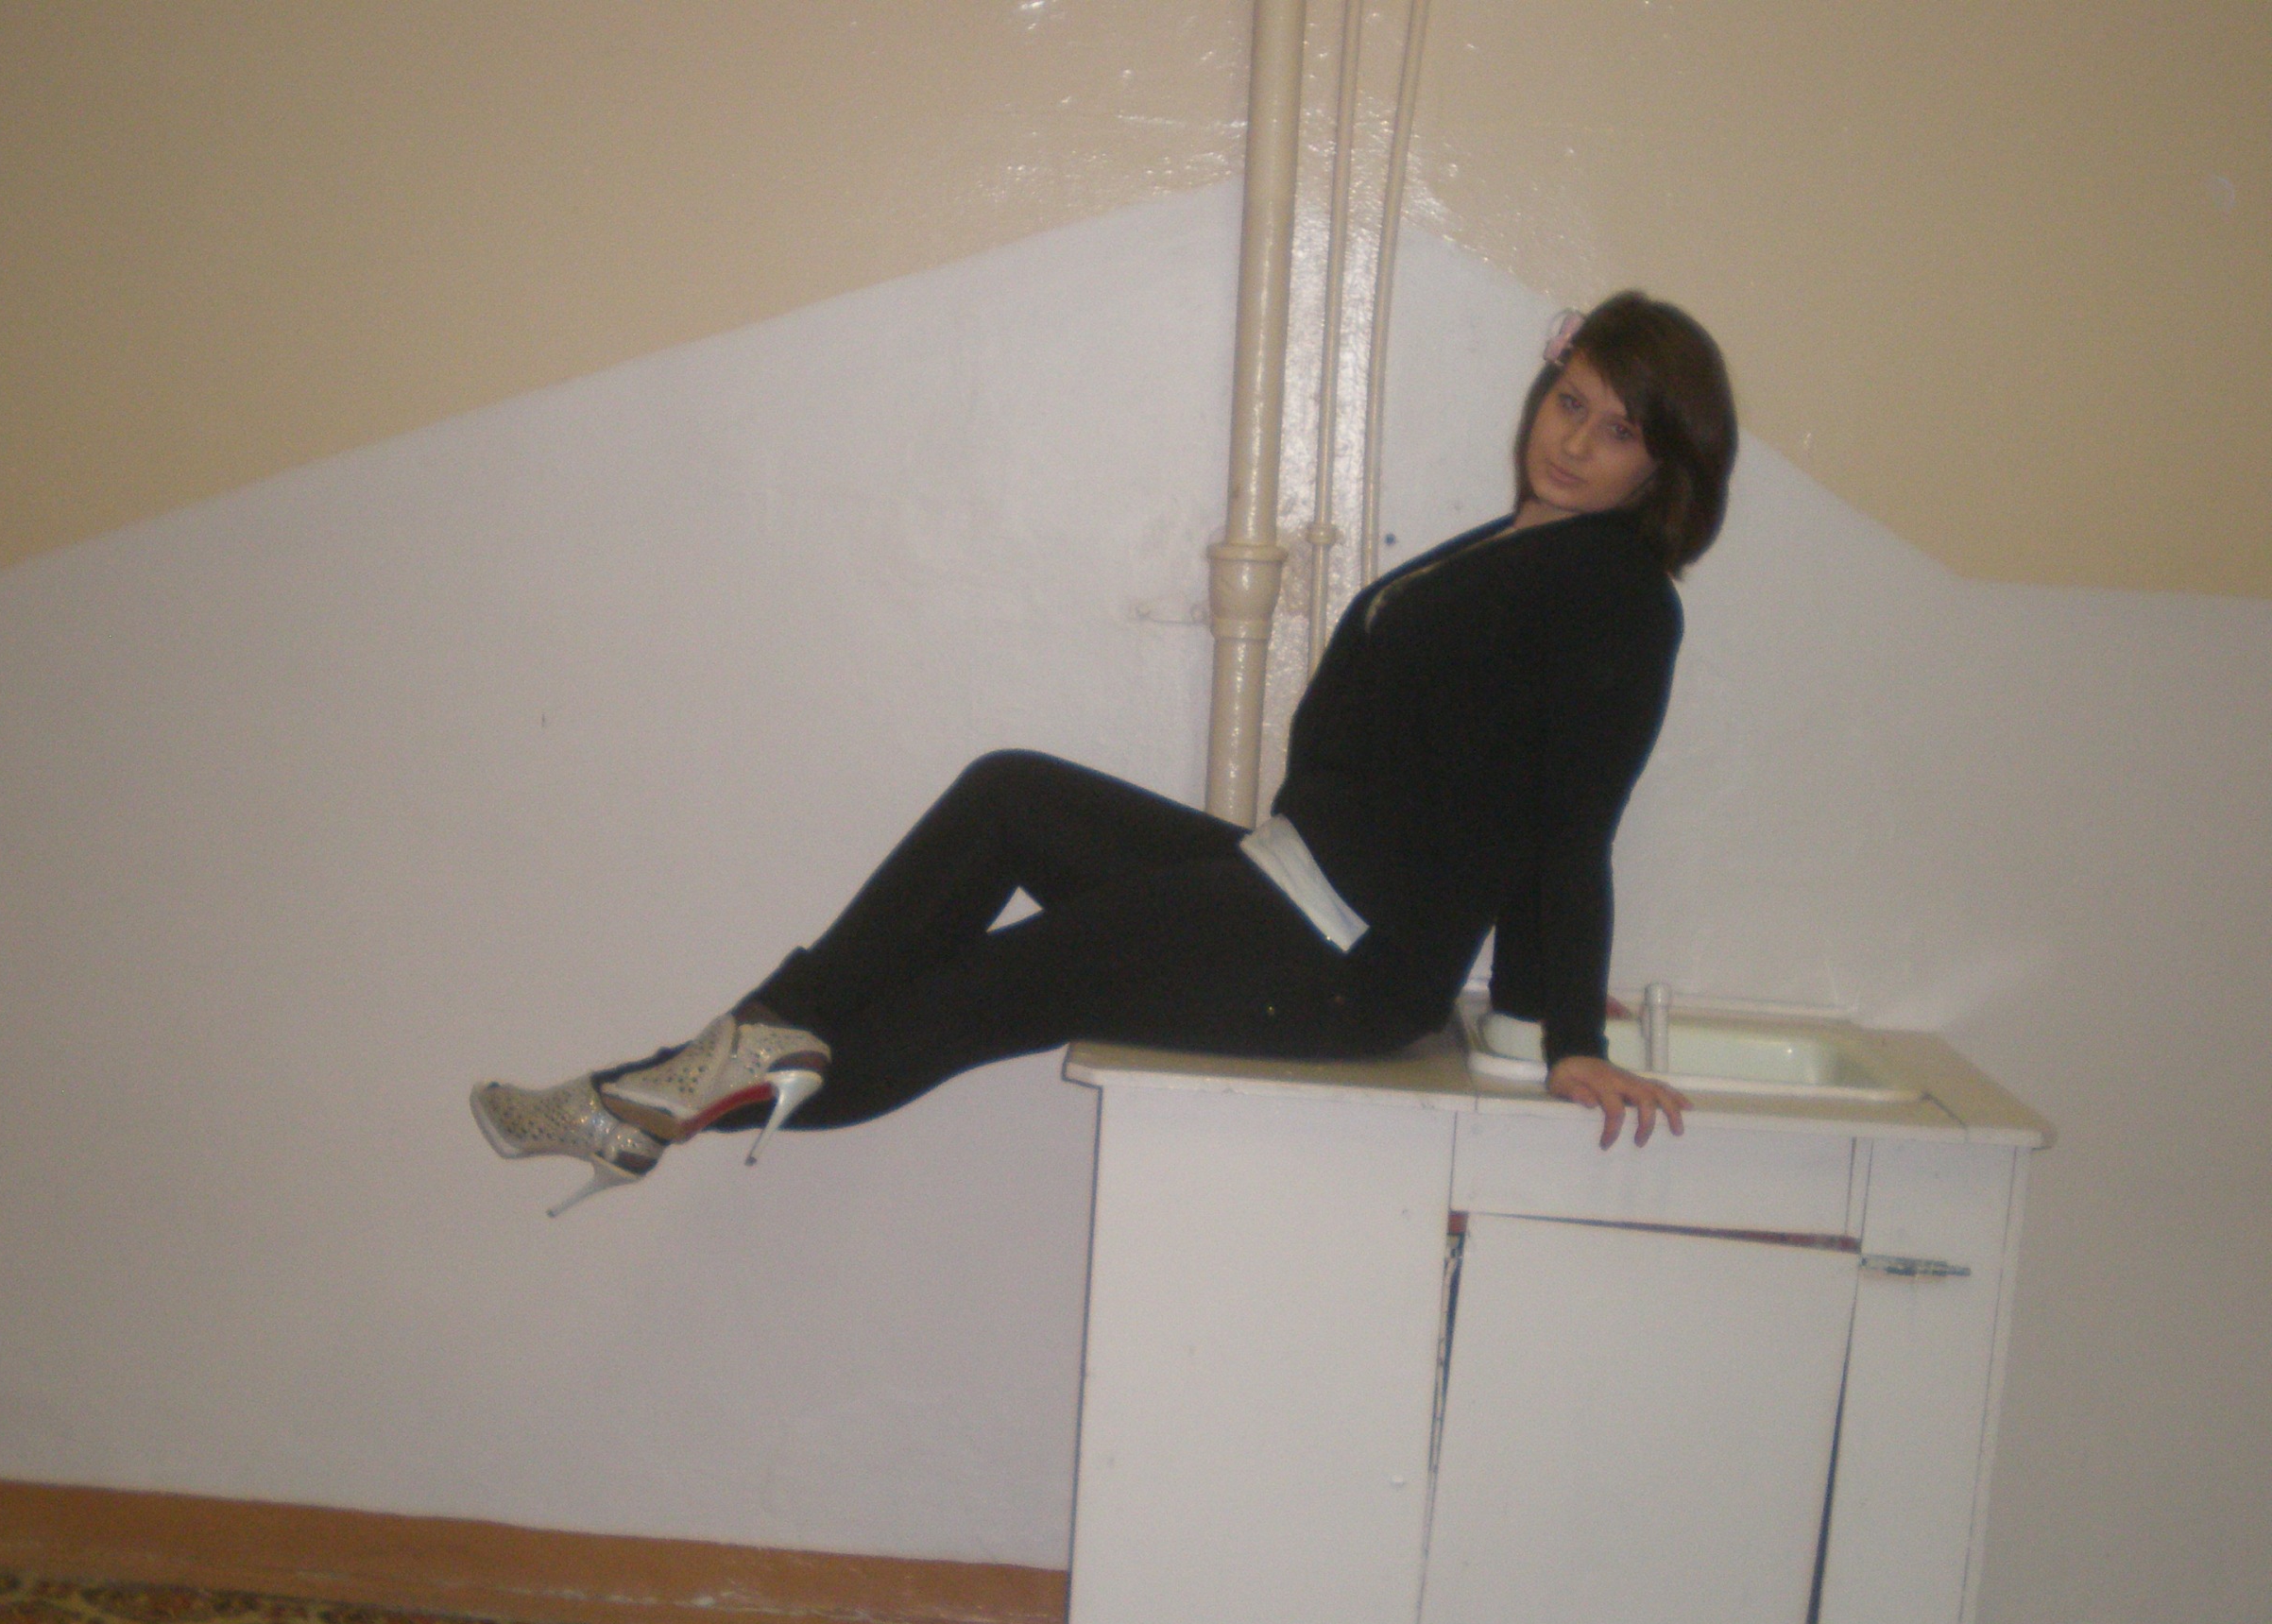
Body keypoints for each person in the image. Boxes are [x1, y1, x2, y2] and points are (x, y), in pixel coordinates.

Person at [473, 292, 1736, 1214]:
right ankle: (734, 1050)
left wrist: (1567, 1031)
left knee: (977, 994)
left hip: (1335, 957)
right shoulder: (1521, 546)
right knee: (1009, 794)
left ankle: (649, 1101)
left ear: (1661, 469)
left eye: (1618, 430)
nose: (1574, 440)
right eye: (1570, 401)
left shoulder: (1619, 596)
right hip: (1286, 882)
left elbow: (1571, 821)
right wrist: (1536, 999)